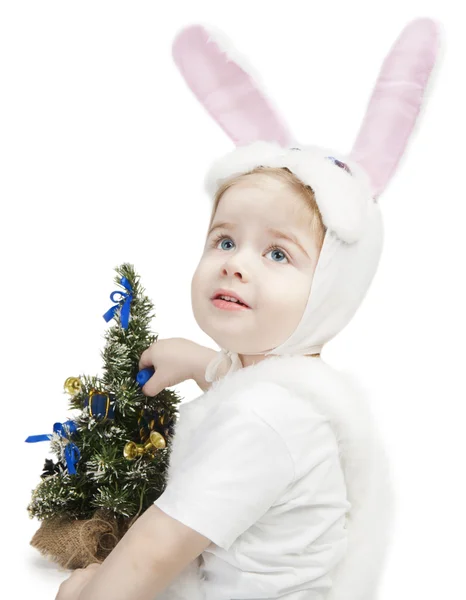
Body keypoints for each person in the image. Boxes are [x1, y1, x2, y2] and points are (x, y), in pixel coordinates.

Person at [55, 18, 441, 600]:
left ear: (332, 290)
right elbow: (250, 388)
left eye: (278, 253)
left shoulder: (258, 423)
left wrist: (88, 591)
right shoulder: (290, 389)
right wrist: (200, 362)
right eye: (225, 240)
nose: (236, 264)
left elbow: (157, 549)